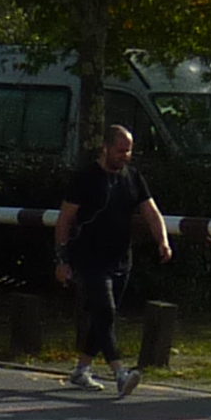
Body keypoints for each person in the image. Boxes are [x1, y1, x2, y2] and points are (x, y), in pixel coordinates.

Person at [51, 119, 171, 398]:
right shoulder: (85, 178)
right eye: (120, 150)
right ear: (105, 148)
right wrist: (61, 259)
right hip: (88, 257)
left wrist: (162, 241)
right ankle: (120, 372)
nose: (125, 156)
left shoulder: (133, 177)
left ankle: (82, 370)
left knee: (102, 316)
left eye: (128, 151)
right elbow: (64, 220)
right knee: (105, 311)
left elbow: (151, 212)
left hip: (120, 258)